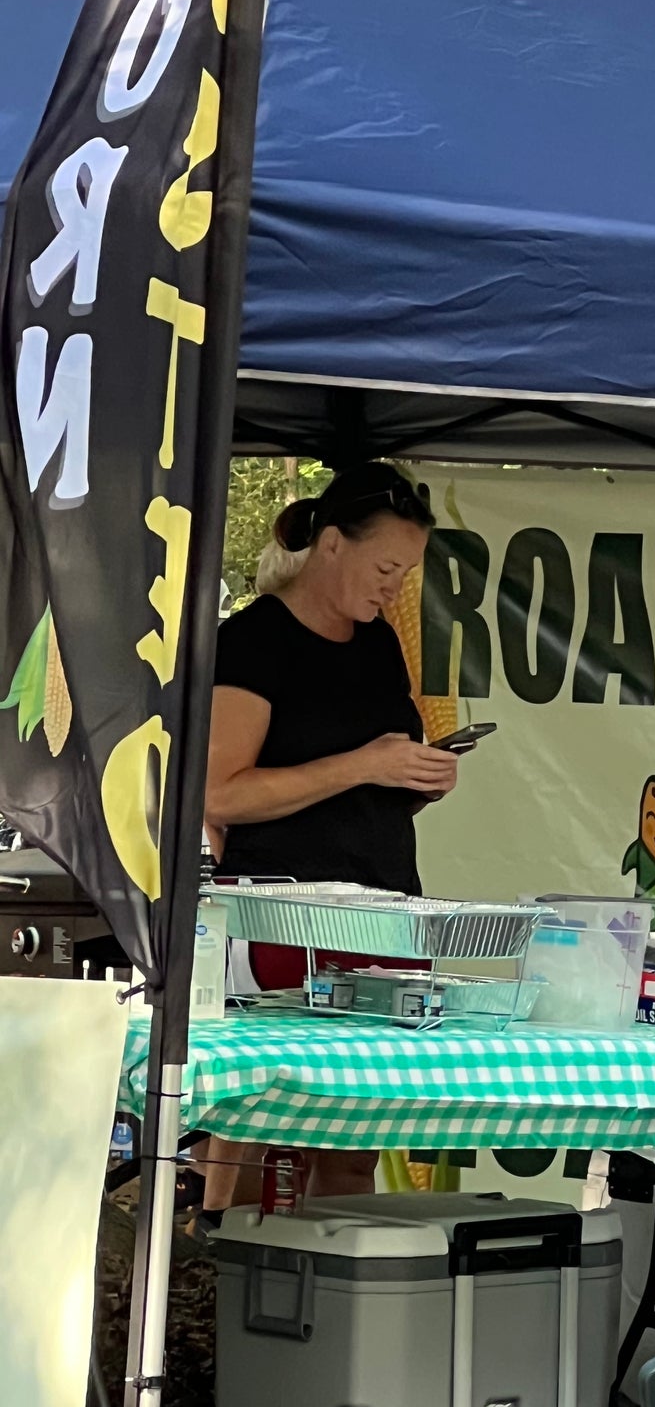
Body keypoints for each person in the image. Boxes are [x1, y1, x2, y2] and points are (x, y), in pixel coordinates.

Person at [200, 463, 461, 1210]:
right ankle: (227, 1264)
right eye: (385, 568)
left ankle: (335, 1297)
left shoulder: (378, 644)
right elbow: (222, 791)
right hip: (283, 916)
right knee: (260, 1116)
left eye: (406, 574)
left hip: (381, 912)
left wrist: (417, 777)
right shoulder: (256, 641)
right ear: (332, 545)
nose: (392, 588)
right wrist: (364, 762)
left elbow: (364, 794)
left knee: (352, 1139)